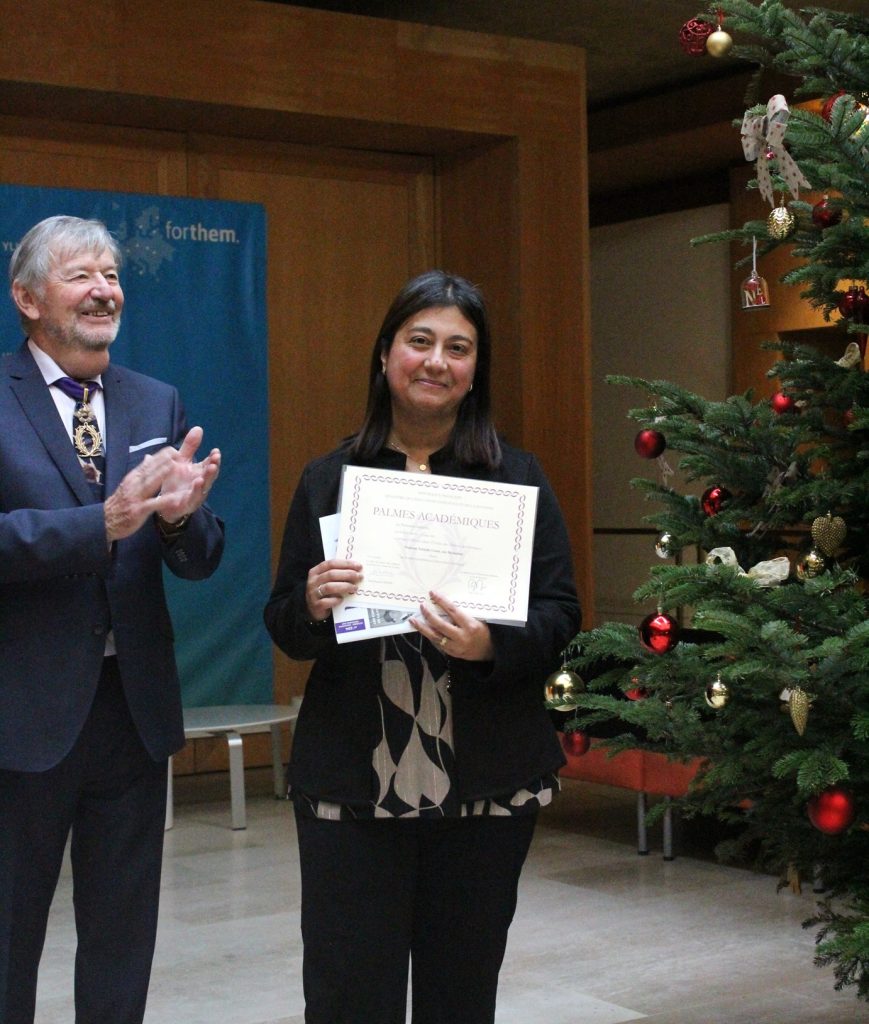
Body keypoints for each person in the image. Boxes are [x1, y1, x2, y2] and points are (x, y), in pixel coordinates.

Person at [264, 270, 580, 1024]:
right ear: (384, 356)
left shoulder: (517, 478)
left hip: (488, 778)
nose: (437, 361)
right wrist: (309, 605)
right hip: (353, 777)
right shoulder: (329, 479)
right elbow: (281, 621)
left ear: (475, 372)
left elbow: (561, 614)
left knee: (460, 992)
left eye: (458, 348)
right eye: (419, 341)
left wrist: (485, 645)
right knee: (347, 993)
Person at [0, 215, 225, 1023]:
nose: (105, 290)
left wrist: (176, 519)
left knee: (122, 938)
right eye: (80, 275)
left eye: (112, 274)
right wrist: (100, 522)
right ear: (27, 298)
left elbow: (198, 556)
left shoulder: (152, 398)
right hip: (20, 715)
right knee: (8, 934)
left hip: (131, 713)